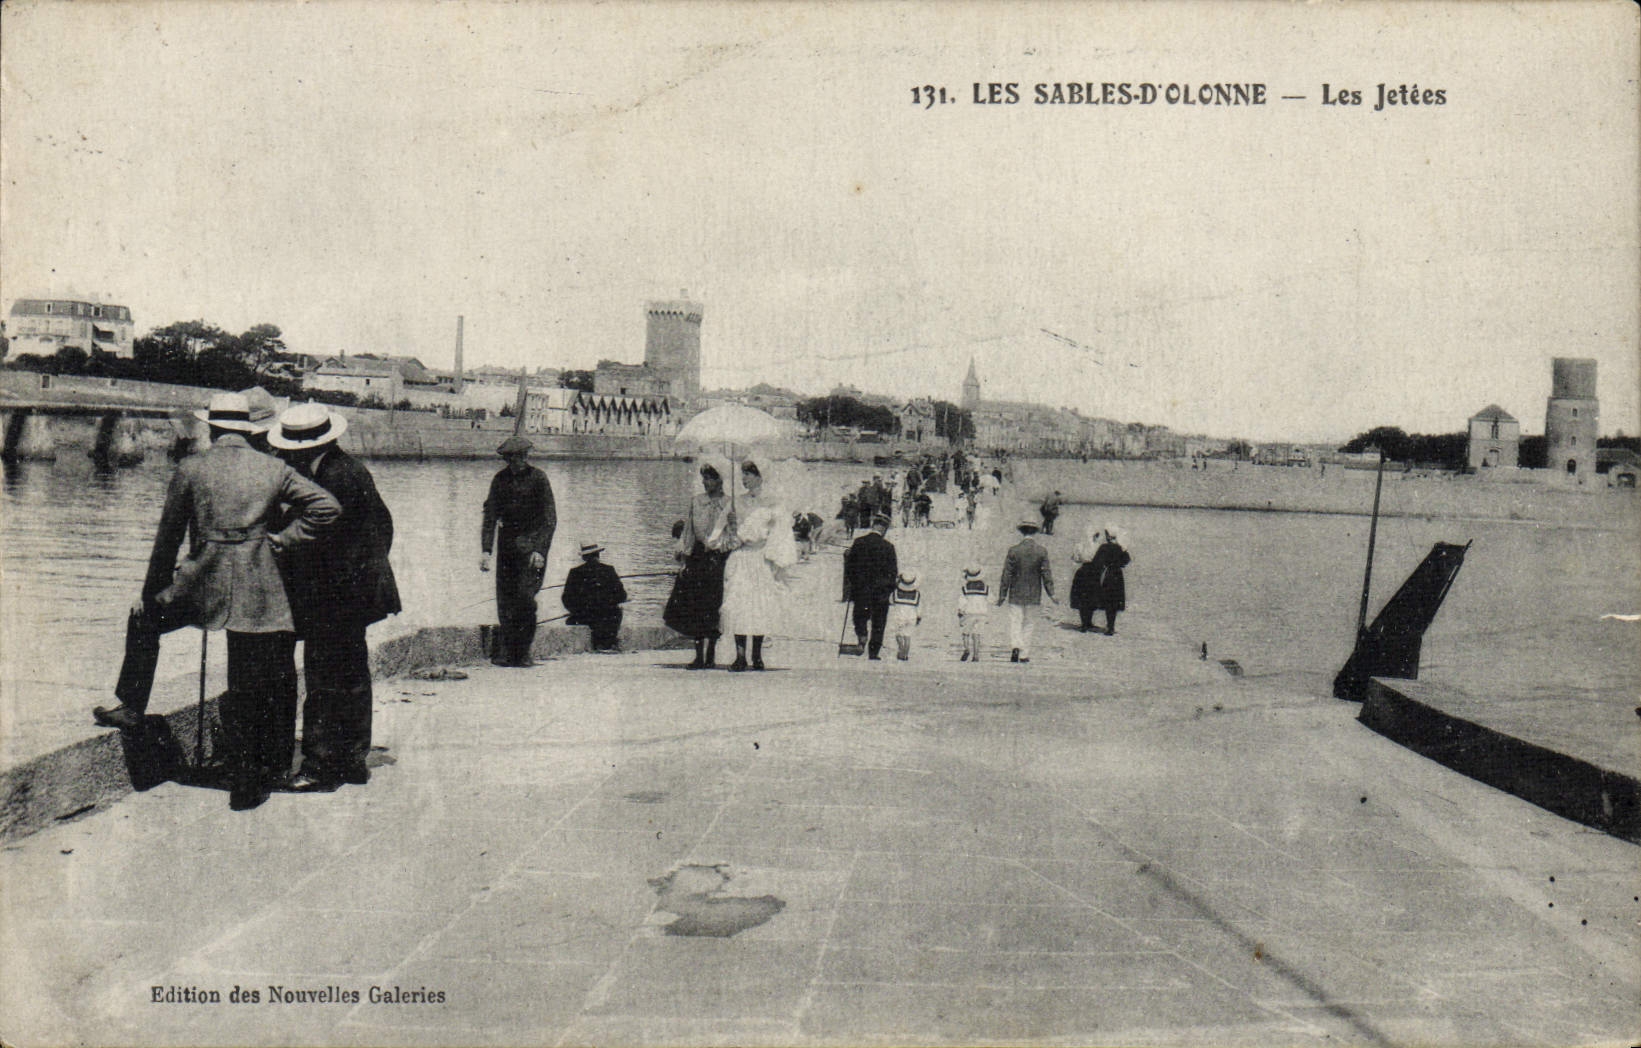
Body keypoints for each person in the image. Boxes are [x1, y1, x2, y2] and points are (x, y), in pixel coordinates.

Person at [94, 393, 341, 811]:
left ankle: (132, 706)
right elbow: (326, 507)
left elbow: (168, 537)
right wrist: (280, 539)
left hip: (201, 581)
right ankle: (248, 781)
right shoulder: (274, 468)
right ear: (248, 430)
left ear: (210, 428)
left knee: (144, 624)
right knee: (247, 679)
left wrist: (152, 592)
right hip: (256, 582)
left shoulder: (191, 468)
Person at [267, 403, 401, 793]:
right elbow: (385, 525)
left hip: (334, 597)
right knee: (353, 676)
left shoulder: (331, 478)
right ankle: (353, 759)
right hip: (356, 594)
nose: (283, 455)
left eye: (288, 448)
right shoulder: (349, 468)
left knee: (324, 679)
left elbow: (323, 539)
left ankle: (320, 766)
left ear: (305, 447)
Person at [481, 436, 557, 667]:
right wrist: (486, 550)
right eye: (514, 457)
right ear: (507, 459)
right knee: (505, 600)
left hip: (532, 548)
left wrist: (540, 551)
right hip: (506, 548)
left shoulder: (539, 479)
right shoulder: (499, 480)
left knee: (525, 599)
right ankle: (505, 652)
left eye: (523, 456)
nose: (519, 461)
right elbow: (490, 516)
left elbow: (550, 519)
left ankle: (523, 652)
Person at [718, 458, 797, 671]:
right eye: (743, 473)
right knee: (739, 605)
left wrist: (775, 557)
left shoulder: (772, 502)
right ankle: (740, 656)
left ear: (760, 477)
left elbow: (781, 532)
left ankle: (757, 654)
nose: (744, 478)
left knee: (760, 605)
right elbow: (720, 536)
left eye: (749, 474)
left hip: (760, 558)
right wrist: (731, 526)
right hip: (742, 557)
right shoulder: (736, 503)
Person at [663, 462, 730, 668]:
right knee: (696, 605)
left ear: (720, 480)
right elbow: (689, 532)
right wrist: (683, 558)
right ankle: (699, 654)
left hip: (720, 558)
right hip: (698, 558)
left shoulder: (730, 503)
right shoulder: (696, 502)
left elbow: (732, 533)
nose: (705, 482)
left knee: (715, 605)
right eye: (704, 478)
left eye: (710, 478)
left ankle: (711, 653)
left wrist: (723, 544)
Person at [997, 518, 1056, 663]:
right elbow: (1046, 574)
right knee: (1029, 623)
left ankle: (1015, 645)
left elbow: (1006, 574)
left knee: (1015, 621)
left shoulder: (1014, 551)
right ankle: (1024, 653)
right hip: (1034, 594)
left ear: (1021, 532)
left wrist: (1002, 595)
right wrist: (1051, 593)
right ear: (1035, 532)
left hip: (1016, 592)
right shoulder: (1041, 551)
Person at [842, 512, 897, 660]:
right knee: (879, 622)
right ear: (884, 529)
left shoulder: (859, 542)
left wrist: (853, 584)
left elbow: (850, 567)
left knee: (859, 616)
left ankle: (862, 635)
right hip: (880, 593)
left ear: (873, 526)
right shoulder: (888, 547)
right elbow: (893, 573)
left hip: (861, 590)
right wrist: (888, 590)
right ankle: (874, 652)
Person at [562, 540, 628, 651]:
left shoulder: (575, 572)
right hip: (608, 615)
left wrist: (578, 610)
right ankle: (609, 644)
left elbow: (566, 599)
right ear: (598, 554)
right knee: (617, 612)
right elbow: (622, 595)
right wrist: (607, 602)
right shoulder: (609, 570)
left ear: (584, 558)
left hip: (584, 616)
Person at [1089, 525, 1131, 636]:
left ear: (1108, 536)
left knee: (1107, 600)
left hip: (1107, 575)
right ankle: (1111, 626)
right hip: (1118, 575)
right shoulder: (1119, 547)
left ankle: (1108, 626)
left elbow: (1096, 562)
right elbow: (1126, 560)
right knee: (1114, 601)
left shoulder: (1104, 547)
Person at [1070, 528, 1106, 633]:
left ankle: (1084, 623)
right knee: (1092, 596)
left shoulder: (1079, 545)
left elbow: (1075, 559)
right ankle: (1088, 621)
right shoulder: (1098, 546)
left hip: (1083, 571)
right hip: (1094, 572)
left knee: (1082, 597)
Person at [957, 563, 989, 663]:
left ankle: (966, 649)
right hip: (982, 614)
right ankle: (976, 655)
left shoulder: (965, 589)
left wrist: (960, 611)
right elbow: (991, 599)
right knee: (977, 634)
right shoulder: (985, 588)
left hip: (969, 613)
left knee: (965, 633)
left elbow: (962, 601)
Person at [888, 569, 922, 662]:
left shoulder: (895, 593)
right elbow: (919, 607)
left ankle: (901, 649)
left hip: (899, 616)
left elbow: (890, 601)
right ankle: (905, 654)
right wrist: (919, 616)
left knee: (898, 634)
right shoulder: (917, 594)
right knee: (907, 636)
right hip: (911, 617)